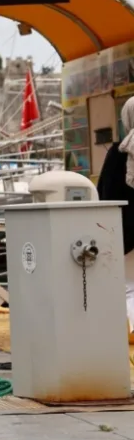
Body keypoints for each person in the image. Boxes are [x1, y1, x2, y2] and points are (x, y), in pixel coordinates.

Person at [95, 96, 134, 337]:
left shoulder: (119, 152)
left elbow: (104, 193)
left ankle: (129, 330)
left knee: (128, 285)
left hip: (127, 230)